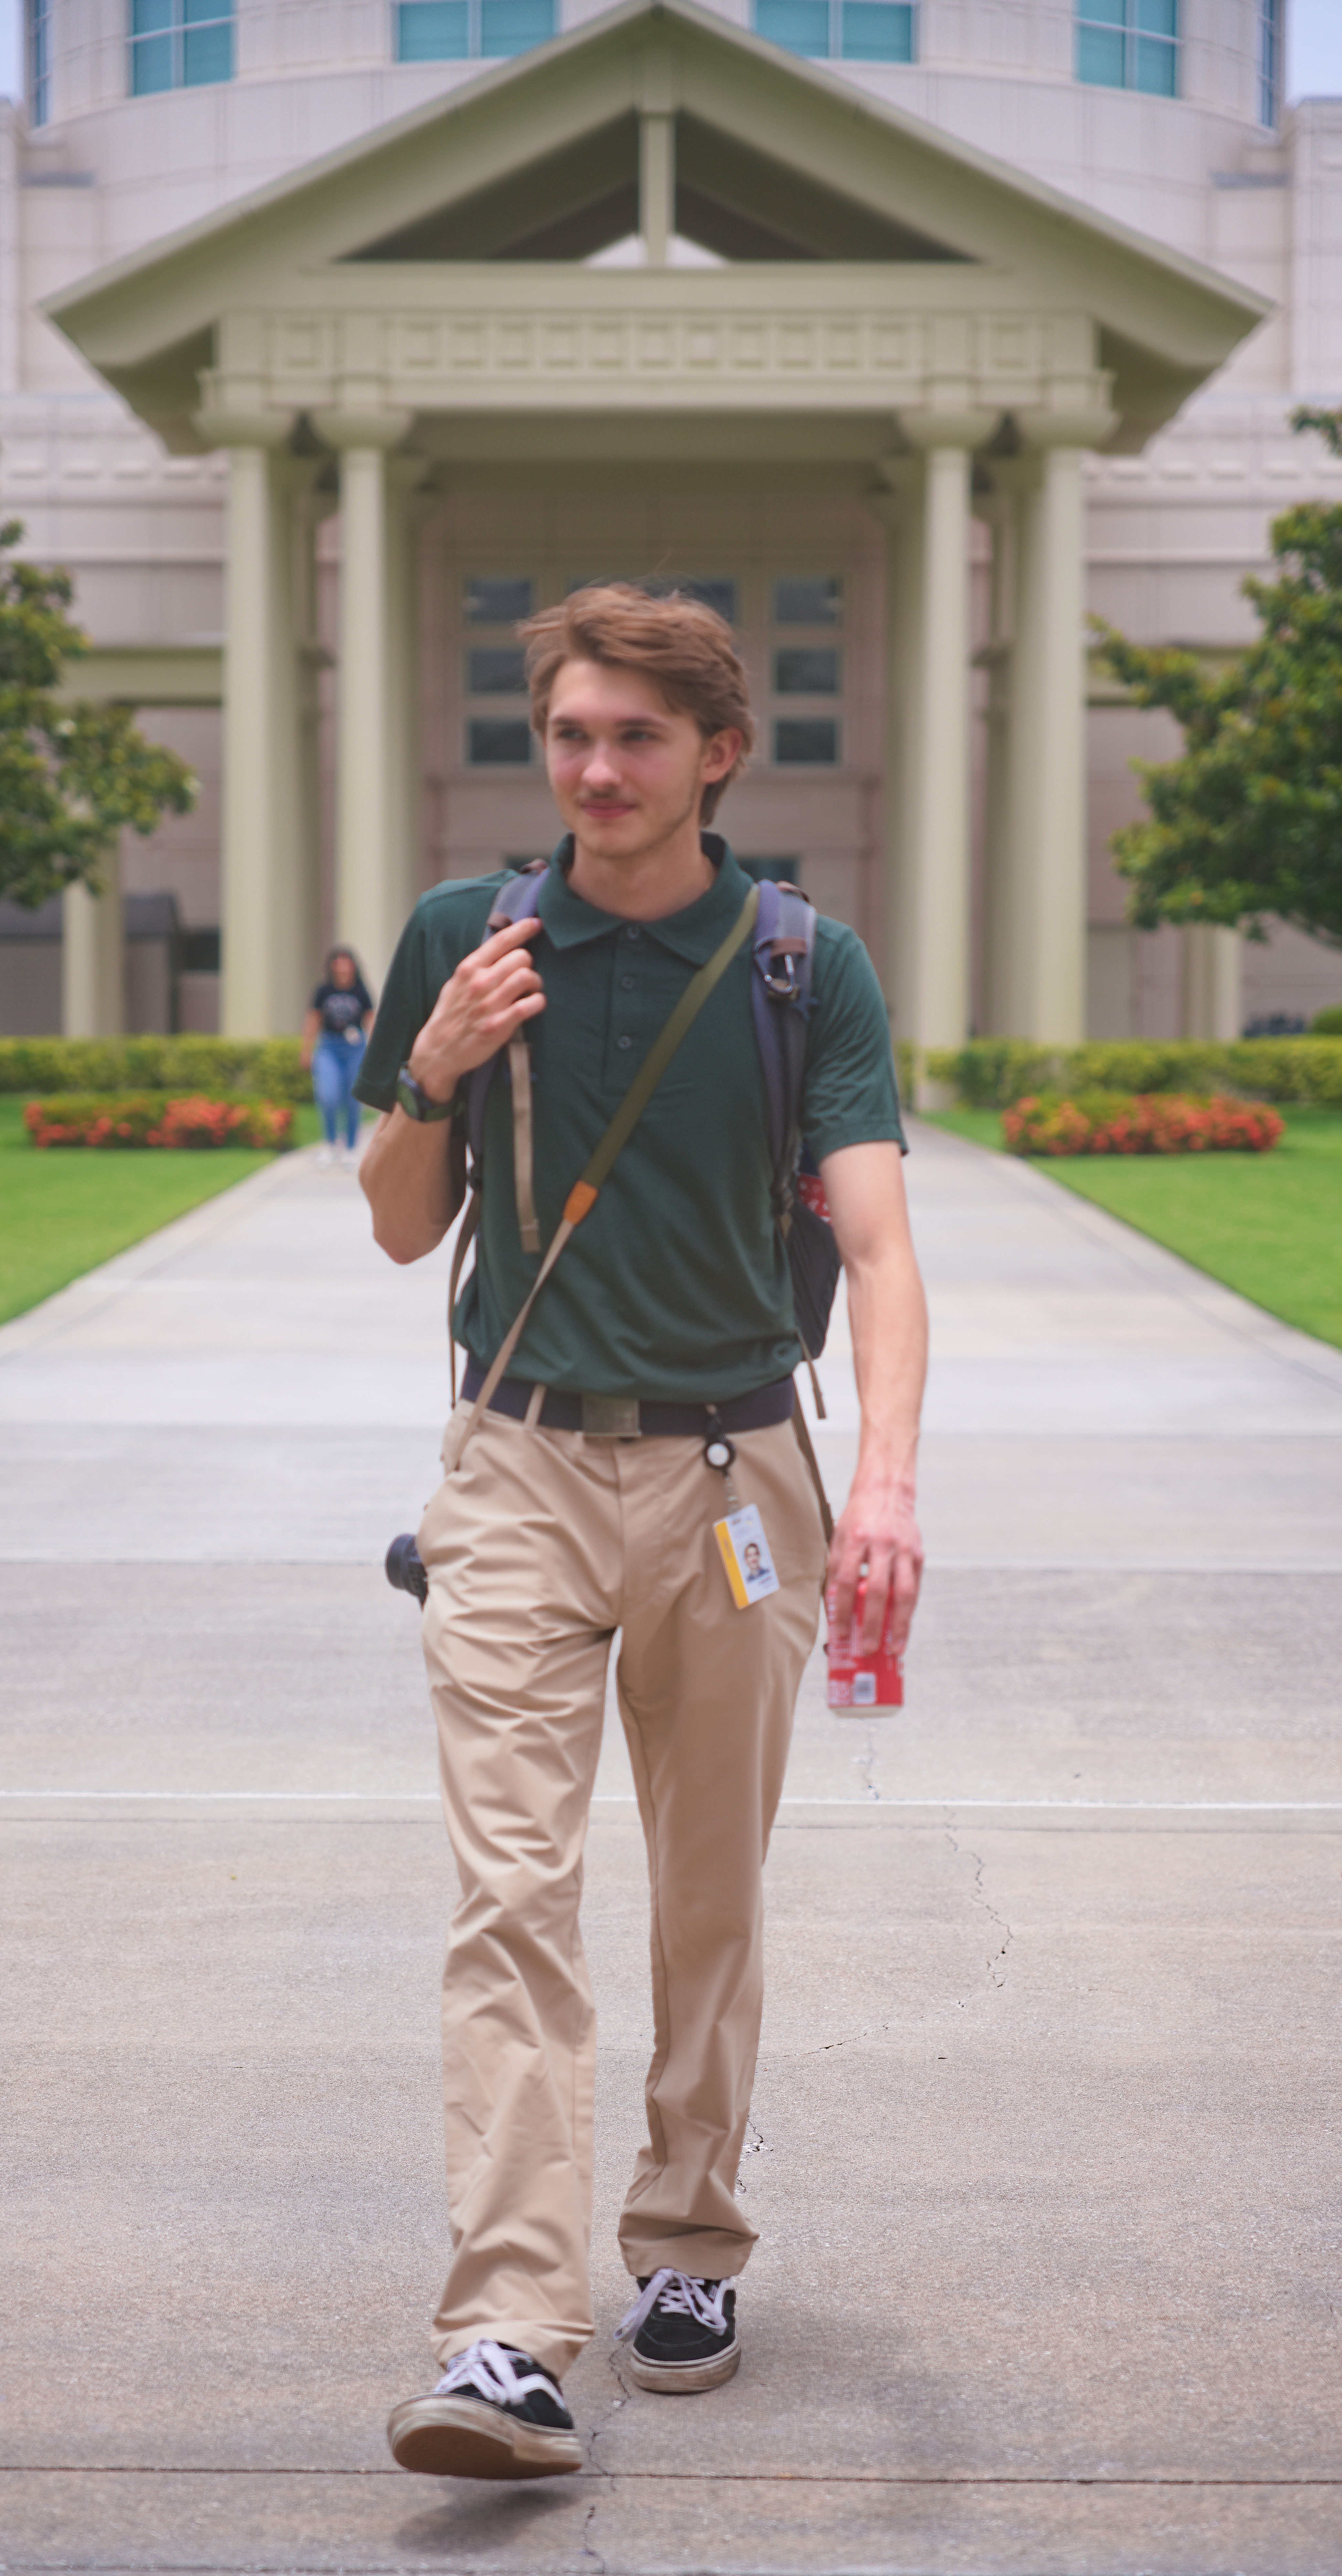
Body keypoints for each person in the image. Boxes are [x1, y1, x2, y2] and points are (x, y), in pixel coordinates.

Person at [356, 584, 928, 2482]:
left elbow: (877, 1247)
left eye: (635, 738)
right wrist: (435, 1061)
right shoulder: (468, 936)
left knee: (706, 1894)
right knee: (509, 1898)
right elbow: (396, 1223)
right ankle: (510, 2330)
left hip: (730, 1481)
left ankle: (688, 2239)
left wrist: (885, 1487)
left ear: (717, 755)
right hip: (514, 1465)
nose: (595, 770)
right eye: (570, 734)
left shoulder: (800, 968)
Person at [301, 946, 374, 1167]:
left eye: (346, 961)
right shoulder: (324, 991)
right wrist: (306, 1050)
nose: (342, 967)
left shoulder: (361, 992)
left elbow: (371, 1021)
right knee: (328, 1096)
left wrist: (375, 1052)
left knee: (353, 1099)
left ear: (353, 966)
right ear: (332, 966)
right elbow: (313, 1020)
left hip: (355, 1048)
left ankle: (351, 1148)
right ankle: (330, 1144)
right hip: (329, 1047)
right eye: (338, 962)